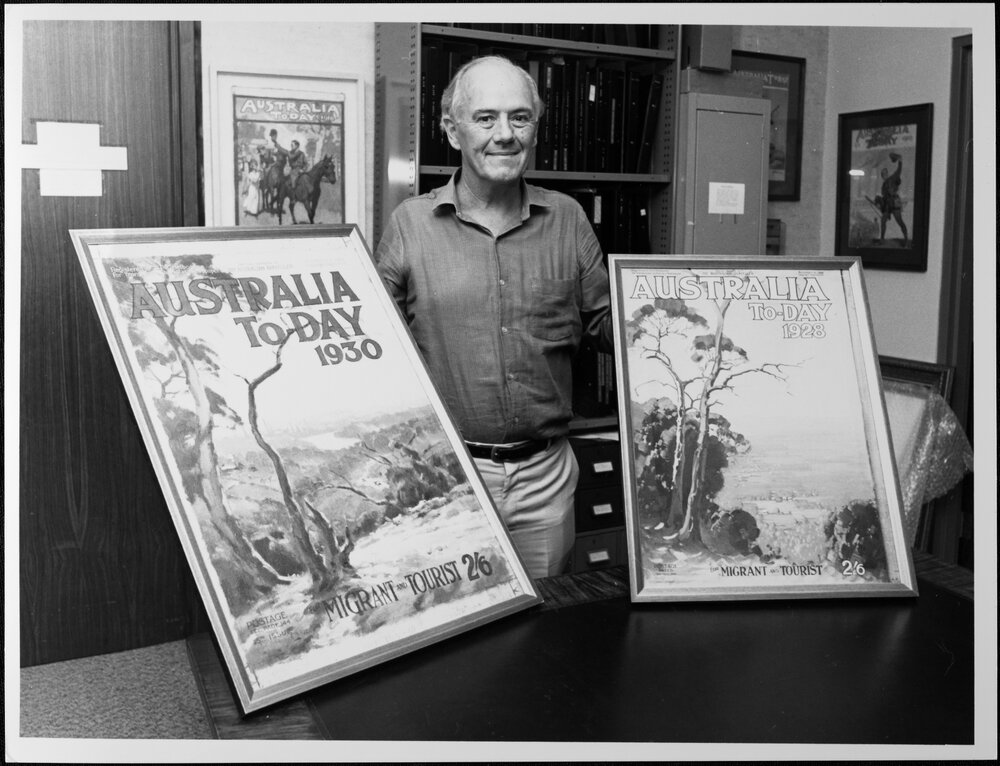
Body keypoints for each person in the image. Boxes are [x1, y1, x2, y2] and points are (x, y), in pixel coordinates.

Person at [375, 56, 613, 578]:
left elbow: (605, 326)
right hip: (449, 479)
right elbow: (375, 344)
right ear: (451, 130)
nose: (504, 134)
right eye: (485, 118)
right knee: (452, 637)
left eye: (520, 118)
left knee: (544, 637)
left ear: (535, 127)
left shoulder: (569, 220)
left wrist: (673, 310)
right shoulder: (410, 225)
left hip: (545, 479)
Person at [870, 152, 909, 247]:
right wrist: (878, 202)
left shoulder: (893, 178)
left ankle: (906, 240)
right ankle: (882, 240)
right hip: (887, 204)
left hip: (894, 202)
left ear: (887, 173)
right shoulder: (883, 186)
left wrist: (900, 161)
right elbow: (884, 197)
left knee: (899, 221)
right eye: (883, 174)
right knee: (883, 220)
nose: (884, 175)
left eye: (885, 173)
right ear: (882, 176)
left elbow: (899, 170)